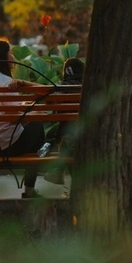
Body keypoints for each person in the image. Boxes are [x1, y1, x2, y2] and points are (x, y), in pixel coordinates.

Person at [0, 38, 46, 198]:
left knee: (34, 126)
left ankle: (42, 155)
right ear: (3, 57)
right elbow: (14, 118)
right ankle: (33, 180)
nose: (13, 56)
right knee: (37, 126)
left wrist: (23, 107)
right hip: (8, 145)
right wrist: (31, 112)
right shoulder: (6, 82)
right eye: (10, 52)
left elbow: (5, 113)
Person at [43, 57, 85, 185]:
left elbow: (50, 103)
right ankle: (58, 173)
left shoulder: (60, 87)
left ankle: (58, 173)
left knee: (67, 133)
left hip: (67, 134)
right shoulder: (90, 86)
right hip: (88, 132)